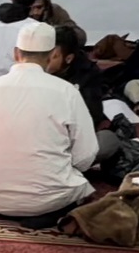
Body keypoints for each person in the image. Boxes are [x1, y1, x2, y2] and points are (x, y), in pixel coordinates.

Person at [0, 22, 98, 219]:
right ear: (51, 56)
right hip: (50, 200)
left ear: (16, 53)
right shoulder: (66, 91)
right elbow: (85, 156)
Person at [49, 25, 118, 163]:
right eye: (43, 54)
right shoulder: (34, 68)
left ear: (68, 59)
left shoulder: (88, 74)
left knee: (108, 140)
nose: (45, 60)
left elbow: (93, 115)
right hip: (38, 136)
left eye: (52, 56)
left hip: (69, 137)